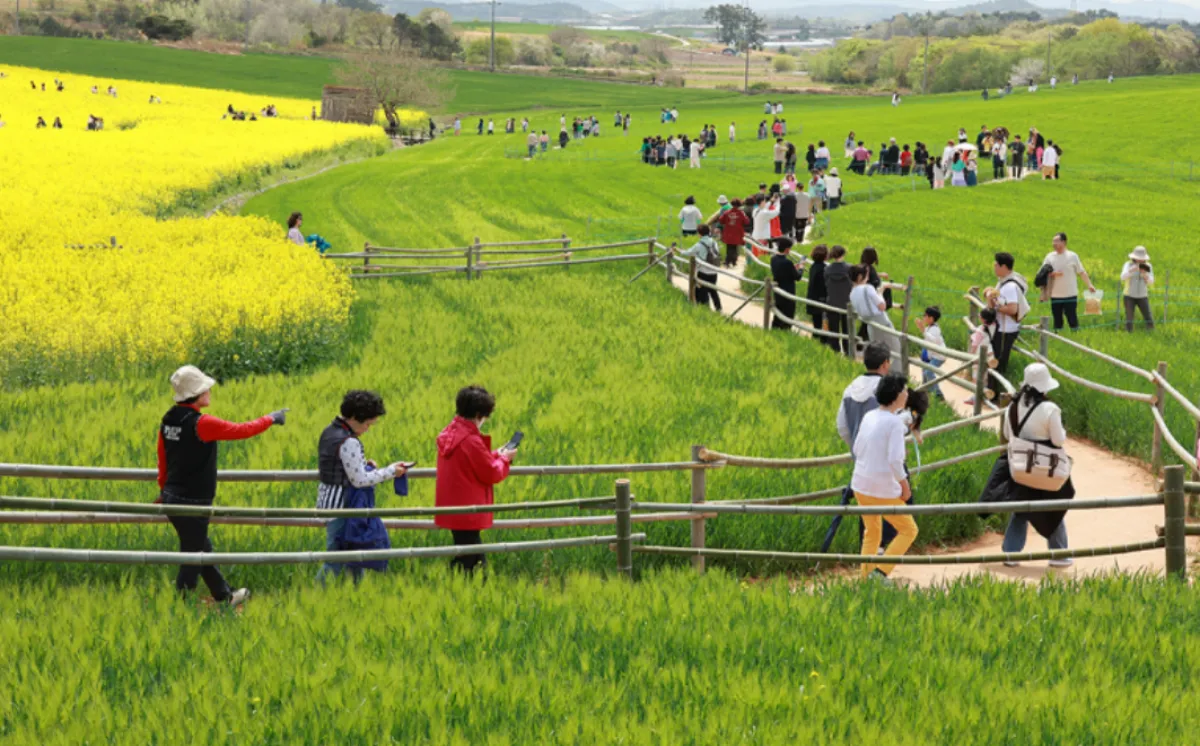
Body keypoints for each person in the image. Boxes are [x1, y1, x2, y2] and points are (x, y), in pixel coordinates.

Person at [157, 365, 287, 605]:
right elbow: (241, 430)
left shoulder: (169, 418)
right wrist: (271, 418)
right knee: (193, 555)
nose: (210, 391)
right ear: (196, 393)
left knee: (201, 547)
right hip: (194, 500)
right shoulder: (201, 423)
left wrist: (163, 489)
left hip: (172, 496)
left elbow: (162, 456)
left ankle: (224, 595)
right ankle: (180, 605)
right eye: (206, 388)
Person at [981, 364, 1074, 568]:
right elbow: (1058, 441)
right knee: (1055, 506)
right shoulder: (1050, 409)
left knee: (1022, 508)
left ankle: (1011, 554)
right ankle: (1059, 553)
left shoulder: (1012, 406)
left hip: (1020, 466)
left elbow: (1007, 434)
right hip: (1044, 468)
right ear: (1043, 387)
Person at [315, 391, 410, 584]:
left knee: (354, 556)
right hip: (343, 507)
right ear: (354, 418)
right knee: (337, 558)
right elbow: (358, 480)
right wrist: (391, 471)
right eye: (367, 423)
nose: (368, 428)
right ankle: (315, 593)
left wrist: (365, 465)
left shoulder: (330, 431)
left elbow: (343, 466)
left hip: (329, 502)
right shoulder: (348, 441)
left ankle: (357, 594)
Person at [435, 386, 515, 574]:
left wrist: (496, 454)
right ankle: (452, 586)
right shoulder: (471, 440)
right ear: (479, 414)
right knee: (475, 564)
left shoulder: (450, 434)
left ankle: (449, 585)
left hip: (454, 509)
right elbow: (492, 473)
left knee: (468, 557)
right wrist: (505, 458)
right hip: (469, 510)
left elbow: (474, 462)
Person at [852, 372, 917, 582]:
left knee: (872, 531)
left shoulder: (869, 416)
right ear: (898, 395)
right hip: (881, 489)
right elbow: (896, 461)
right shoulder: (895, 423)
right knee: (909, 530)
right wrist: (905, 487)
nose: (907, 393)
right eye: (905, 389)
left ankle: (865, 577)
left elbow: (857, 448)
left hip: (860, 485)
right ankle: (880, 573)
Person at [1043, 232, 1094, 331]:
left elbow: (1081, 272)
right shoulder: (1049, 257)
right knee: (1057, 319)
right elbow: (1042, 272)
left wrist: (1089, 285)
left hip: (1070, 294)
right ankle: (1058, 336)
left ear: (1064, 242)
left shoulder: (1073, 256)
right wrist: (1053, 274)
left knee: (1072, 317)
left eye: (1057, 241)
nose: (1054, 244)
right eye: (1053, 241)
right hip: (1055, 294)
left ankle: (1075, 336)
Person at [992, 252, 1028, 387]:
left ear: (1004, 267)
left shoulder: (1009, 286)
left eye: (996, 264)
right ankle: (991, 390)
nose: (994, 267)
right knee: (995, 360)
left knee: (997, 362)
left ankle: (993, 392)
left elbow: (1013, 309)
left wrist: (995, 307)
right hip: (1003, 328)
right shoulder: (1005, 282)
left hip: (1005, 330)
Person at [850, 264, 898, 356]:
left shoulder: (852, 293)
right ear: (860, 277)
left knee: (876, 348)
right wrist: (881, 291)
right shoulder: (868, 288)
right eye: (866, 276)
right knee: (894, 346)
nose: (868, 278)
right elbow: (882, 306)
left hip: (869, 323)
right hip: (881, 320)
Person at [679, 225, 723, 312]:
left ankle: (704, 309)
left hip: (703, 271)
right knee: (713, 290)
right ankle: (718, 308)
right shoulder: (714, 243)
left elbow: (688, 253)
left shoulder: (699, 245)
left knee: (701, 290)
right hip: (713, 271)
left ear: (699, 234)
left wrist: (679, 250)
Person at [769, 238, 803, 329]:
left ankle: (775, 330)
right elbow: (798, 277)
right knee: (788, 315)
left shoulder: (773, 259)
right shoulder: (787, 262)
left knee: (778, 314)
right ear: (787, 249)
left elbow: (784, 271)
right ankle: (785, 331)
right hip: (788, 292)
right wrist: (801, 268)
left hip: (778, 290)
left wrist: (793, 268)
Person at [824, 246, 853, 355]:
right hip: (846, 303)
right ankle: (848, 352)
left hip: (832, 302)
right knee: (847, 330)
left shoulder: (827, 269)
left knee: (834, 329)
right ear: (843, 254)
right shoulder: (849, 268)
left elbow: (826, 283)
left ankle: (835, 352)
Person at [1121, 246, 1155, 332]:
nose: (1140, 261)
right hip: (1129, 295)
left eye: (1142, 259)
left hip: (1143, 296)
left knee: (1148, 316)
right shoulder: (1128, 265)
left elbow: (1151, 281)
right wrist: (1132, 270)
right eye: (1138, 259)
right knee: (1129, 319)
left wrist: (1145, 275)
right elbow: (1122, 277)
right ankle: (1128, 334)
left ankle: (1150, 331)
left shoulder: (1148, 266)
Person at [914, 306, 946, 399]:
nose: (923, 317)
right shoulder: (929, 327)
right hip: (931, 356)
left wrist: (922, 330)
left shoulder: (935, 329)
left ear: (931, 318)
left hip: (938, 356)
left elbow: (933, 340)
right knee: (925, 372)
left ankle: (938, 394)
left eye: (925, 315)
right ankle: (925, 391)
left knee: (928, 372)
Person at [716, 198, 750, 267]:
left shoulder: (727, 212)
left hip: (728, 232)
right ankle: (733, 261)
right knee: (735, 247)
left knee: (729, 247)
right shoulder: (741, 213)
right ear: (739, 205)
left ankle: (728, 261)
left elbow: (721, 220)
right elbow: (747, 222)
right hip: (737, 233)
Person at [805, 244, 829, 340]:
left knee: (816, 325)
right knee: (824, 327)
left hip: (812, 298)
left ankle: (815, 343)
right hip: (821, 301)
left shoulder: (813, 267)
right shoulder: (824, 269)